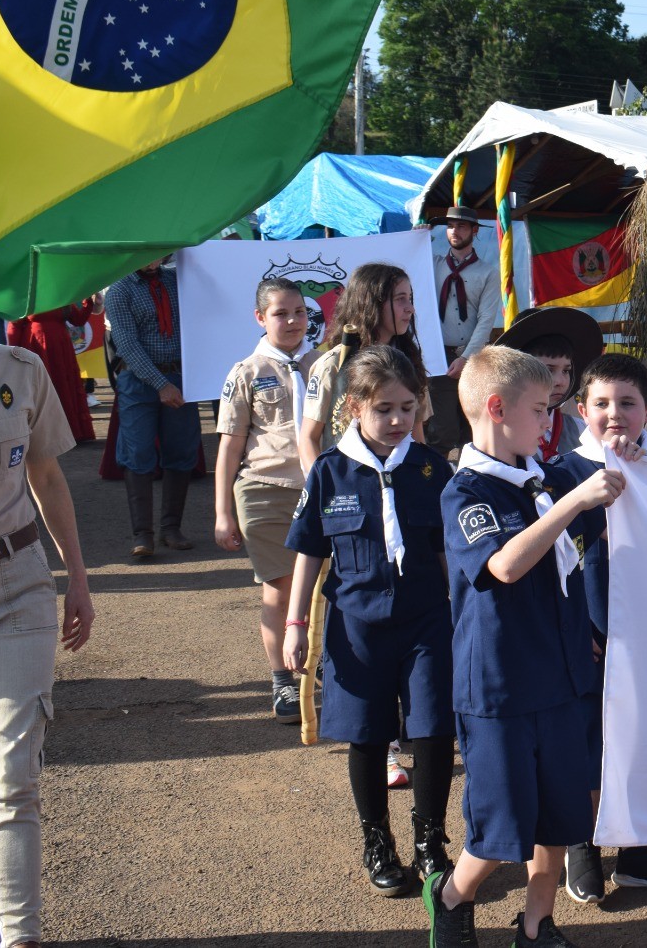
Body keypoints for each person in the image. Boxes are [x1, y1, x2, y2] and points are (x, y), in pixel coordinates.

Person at [426, 346, 629, 948]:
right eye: (541, 410)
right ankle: (451, 896)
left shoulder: (547, 477)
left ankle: (537, 926)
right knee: (501, 825)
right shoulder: (465, 493)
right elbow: (505, 566)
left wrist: (632, 461)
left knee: (561, 819)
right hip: (501, 687)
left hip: (562, 678)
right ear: (495, 408)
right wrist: (572, 502)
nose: (549, 423)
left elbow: (603, 504)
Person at [283, 346, 455, 897]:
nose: (399, 420)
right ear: (355, 406)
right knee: (367, 731)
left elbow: (446, 549)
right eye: (385, 408)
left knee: (432, 728)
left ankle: (431, 838)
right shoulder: (331, 471)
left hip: (426, 619)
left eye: (408, 407)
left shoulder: (431, 469)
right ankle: (376, 839)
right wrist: (294, 625)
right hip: (357, 624)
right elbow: (309, 550)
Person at [547, 354, 647, 906]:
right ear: (581, 410)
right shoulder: (561, 474)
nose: (615, 415)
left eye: (628, 403)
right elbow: (554, 559)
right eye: (602, 404)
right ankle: (584, 845)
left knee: (646, 738)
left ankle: (637, 851)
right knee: (587, 741)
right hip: (587, 632)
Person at [0, 306, 95, 948]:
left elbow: (47, 474)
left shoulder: (20, 371)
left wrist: (77, 575)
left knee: (10, 773)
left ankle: (19, 938)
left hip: (17, 583)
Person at [214, 279, 317, 724]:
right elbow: (229, 448)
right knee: (279, 588)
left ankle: (319, 672)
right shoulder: (246, 372)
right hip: (264, 490)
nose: (293, 321)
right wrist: (222, 512)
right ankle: (282, 680)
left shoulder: (326, 365)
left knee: (322, 589)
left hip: (319, 491)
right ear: (260, 318)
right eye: (281, 313)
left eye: (299, 312)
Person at [103, 258, 202, 556]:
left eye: (158, 252)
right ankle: (142, 534)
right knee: (138, 453)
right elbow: (127, 345)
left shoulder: (177, 282)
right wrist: (161, 384)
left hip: (179, 376)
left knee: (181, 450)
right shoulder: (119, 291)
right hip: (138, 380)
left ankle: (171, 528)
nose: (153, 258)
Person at [298, 263, 431, 475]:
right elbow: (308, 438)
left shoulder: (409, 363)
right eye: (400, 299)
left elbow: (417, 436)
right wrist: (323, 489)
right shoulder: (333, 364)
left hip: (400, 482)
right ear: (372, 304)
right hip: (348, 486)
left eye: (410, 299)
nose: (410, 308)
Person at [428, 206, 498, 454]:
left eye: (461, 226)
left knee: (474, 426)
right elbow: (404, 262)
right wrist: (417, 235)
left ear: (474, 230)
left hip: (473, 355)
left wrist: (467, 357)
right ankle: (438, 485)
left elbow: (486, 319)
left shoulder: (488, 272)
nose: (454, 231)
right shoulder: (431, 265)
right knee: (441, 428)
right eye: (450, 226)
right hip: (438, 356)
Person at [494, 307, 603, 463]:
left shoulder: (582, 430)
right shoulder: (501, 433)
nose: (560, 382)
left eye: (566, 370)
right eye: (548, 370)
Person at [5, 299, 97, 443]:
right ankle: (43, 435)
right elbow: (14, 325)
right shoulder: (28, 293)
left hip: (61, 348)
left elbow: (78, 320)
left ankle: (69, 432)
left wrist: (88, 302)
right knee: (41, 389)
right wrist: (15, 353)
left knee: (64, 387)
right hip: (35, 345)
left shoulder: (60, 294)